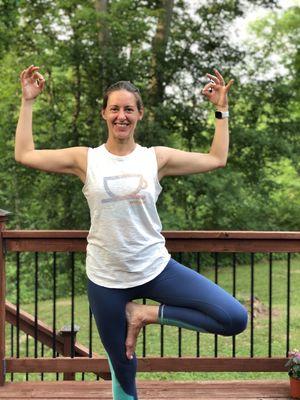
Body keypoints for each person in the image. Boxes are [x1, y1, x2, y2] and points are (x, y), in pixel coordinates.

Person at [15, 65, 248, 400]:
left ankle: (143, 314)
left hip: (155, 269)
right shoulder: (86, 159)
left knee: (233, 318)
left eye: (128, 109)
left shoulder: (156, 159)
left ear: (139, 114)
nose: (121, 116)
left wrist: (221, 109)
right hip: (106, 280)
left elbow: (217, 158)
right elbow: (24, 154)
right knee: (124, 368)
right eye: (114, 108)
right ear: (104, 114)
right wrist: (27, 102)